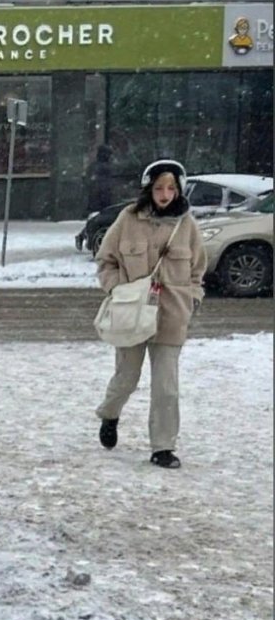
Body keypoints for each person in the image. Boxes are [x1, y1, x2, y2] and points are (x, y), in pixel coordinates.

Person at [95, 159, 207, 469]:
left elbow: (198, 270)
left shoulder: (187, 225)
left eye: (171, 188)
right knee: (126, 378)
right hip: (132, 314)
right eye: (159, 188)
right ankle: (109, 414)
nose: (165, 193)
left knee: (166, 387)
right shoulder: (128, 219)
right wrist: (117, 289)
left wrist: (192, 298)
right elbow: (106, 261)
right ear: (149, 189)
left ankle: (163, 447)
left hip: (172, 316)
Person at [86, 144, 114, 215]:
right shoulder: (104, 168)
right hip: (101, 201)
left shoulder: (93, 166)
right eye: (108, 154)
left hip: (97, 201)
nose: (110, 157)